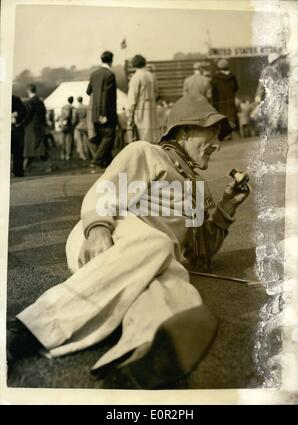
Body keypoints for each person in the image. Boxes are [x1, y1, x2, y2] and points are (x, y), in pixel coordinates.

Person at [7, 95, 250, 389]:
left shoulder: (197, 188)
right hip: (109, 236)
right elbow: (105, 190)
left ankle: (137, 364)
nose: (218, 144)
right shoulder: (146, 152)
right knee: (157, 244)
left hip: (152, 260)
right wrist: (98, 229)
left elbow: (201, 252)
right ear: (185, 131)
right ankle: (26, 330)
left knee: (178, 289)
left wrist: (228, 205)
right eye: (212, 133)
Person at [86, 51, 117, 168]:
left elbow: (88, 91)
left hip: (94, 113)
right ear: (111, 60)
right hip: (106, 113)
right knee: (109, 136)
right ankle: (97, 160)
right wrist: (104, 113)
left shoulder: (93, 74)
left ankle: (108, 162)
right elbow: (107, 95)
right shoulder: (110, 75)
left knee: (101, 137)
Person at [127, 54, 160, 144]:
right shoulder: (151, 76)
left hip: (140, 110)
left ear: (134, 64)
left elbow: (132, 99)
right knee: (153, 137)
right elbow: (157, 93)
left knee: (142, 138)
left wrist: (130, 114)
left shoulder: (136, 77)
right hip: (152, 109)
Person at [254, 52, 289, 135]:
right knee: (272, 122)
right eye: (279, 60)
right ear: (275, 61)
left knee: (284, 121)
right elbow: (261, 86)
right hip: (271, 98)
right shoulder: (266, 71)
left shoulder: (281, 70)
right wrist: (257, 97)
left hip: (281, 99)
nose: (281, 61)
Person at [23, 84, 47, 171]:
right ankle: (28, 165)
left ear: (28, 91)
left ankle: (25, 166)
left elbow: (27, 116)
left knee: (29, 149)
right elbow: (44, 113)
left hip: (30, 127)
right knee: (37, 147)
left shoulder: (30, 102)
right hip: (40, 126)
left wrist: (22, 124)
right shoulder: (40, 102)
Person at [211, 59, 239, 135]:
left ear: (219, 68)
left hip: (220, 104)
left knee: (222, 118)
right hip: (231, 102)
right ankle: (234, 133)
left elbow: (213, 93)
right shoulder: (233, 77)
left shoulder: (215, 78)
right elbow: (236, 88)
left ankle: (225, 135)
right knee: (232, 118)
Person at [11, 95, 27, 177]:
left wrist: (17, 117)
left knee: (17, 151)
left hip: (15, 129)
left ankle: (18, 171)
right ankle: (17, 171)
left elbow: (24, 111)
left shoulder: (15, 99)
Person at [60, 96, 75, 160]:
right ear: (72, 101)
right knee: (69, 141)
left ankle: (63, 154)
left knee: (63, 141)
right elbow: (73, 117)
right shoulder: (72, 108)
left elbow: (61, 116)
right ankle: (68, 155)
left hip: (63, 126)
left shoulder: (63, 107)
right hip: (69, 126)